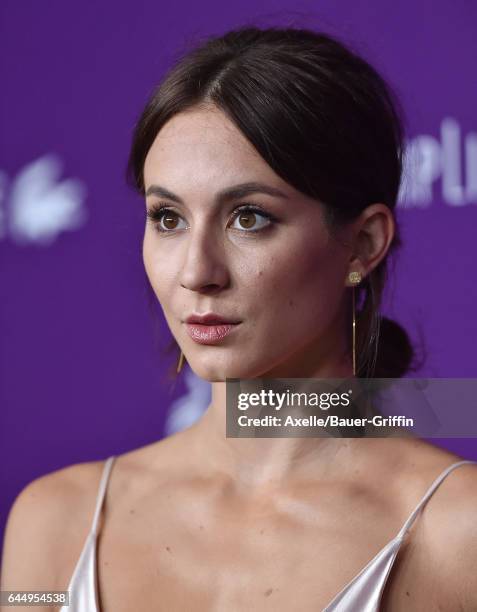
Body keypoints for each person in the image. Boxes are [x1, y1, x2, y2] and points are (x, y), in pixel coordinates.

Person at [1, 26, 477, 612]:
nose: (197, 271)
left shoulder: (459, 535)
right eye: (168, 217)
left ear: (363, 244)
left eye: (249, 217)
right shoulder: (54, 521)